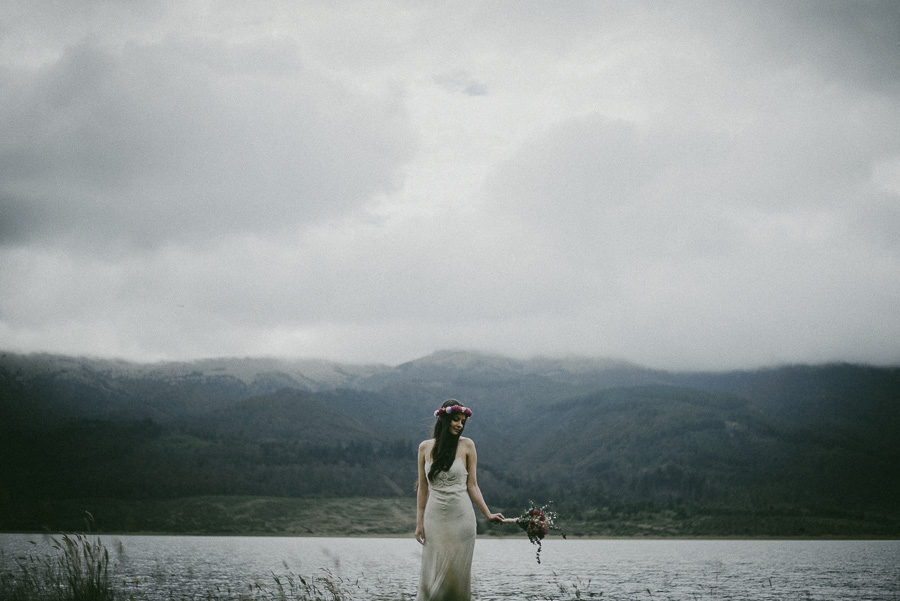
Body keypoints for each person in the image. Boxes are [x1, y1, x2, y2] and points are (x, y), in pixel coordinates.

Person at [415, 399, 505, 601]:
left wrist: (488, 514)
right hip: (434, 519)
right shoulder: (424, 448)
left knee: (457, 574)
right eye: (456, 420)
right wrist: (419, 523)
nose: (460, 425)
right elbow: (423, 487)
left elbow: (472, 485)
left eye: (462, 421)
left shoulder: (467, 446)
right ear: (444, 419)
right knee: (433, 571)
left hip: (462, 518)